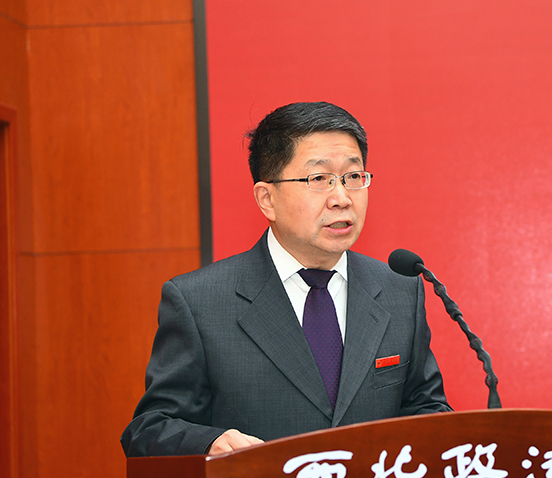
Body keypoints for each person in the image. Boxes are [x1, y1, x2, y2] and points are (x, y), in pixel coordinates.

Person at [121, 102, 451, 457]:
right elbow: (150, 429)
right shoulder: (200, 302)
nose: (342, 198)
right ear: (267, 199)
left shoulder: (400, 289)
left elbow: (426, 408)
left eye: (353, 177)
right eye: (319, 179)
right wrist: (209, 443)